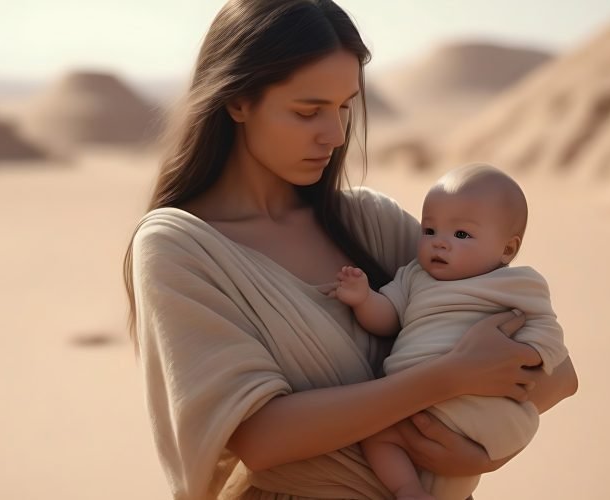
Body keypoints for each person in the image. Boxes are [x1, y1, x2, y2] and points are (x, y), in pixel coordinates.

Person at [122, 1, 578, 498]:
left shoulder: (371, 223)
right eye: (308, 111)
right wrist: (448, 378)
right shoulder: (177, 247)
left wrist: (489, 450)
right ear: (238, 101)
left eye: (344, 107)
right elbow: (260, 437)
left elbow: (561, 373)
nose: (336, 135)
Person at [329, 163, 568, 500]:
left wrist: (526, 356)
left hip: (479, 403)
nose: (440, 244)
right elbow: (387, 317)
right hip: (414, 398)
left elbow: (548, 331)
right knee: (378, 436)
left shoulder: (518, 284)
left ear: (507, 250)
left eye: (460, 235)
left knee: (403, 445)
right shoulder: (414, 276)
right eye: (429, 231)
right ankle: (409, 489)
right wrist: (364, 298)